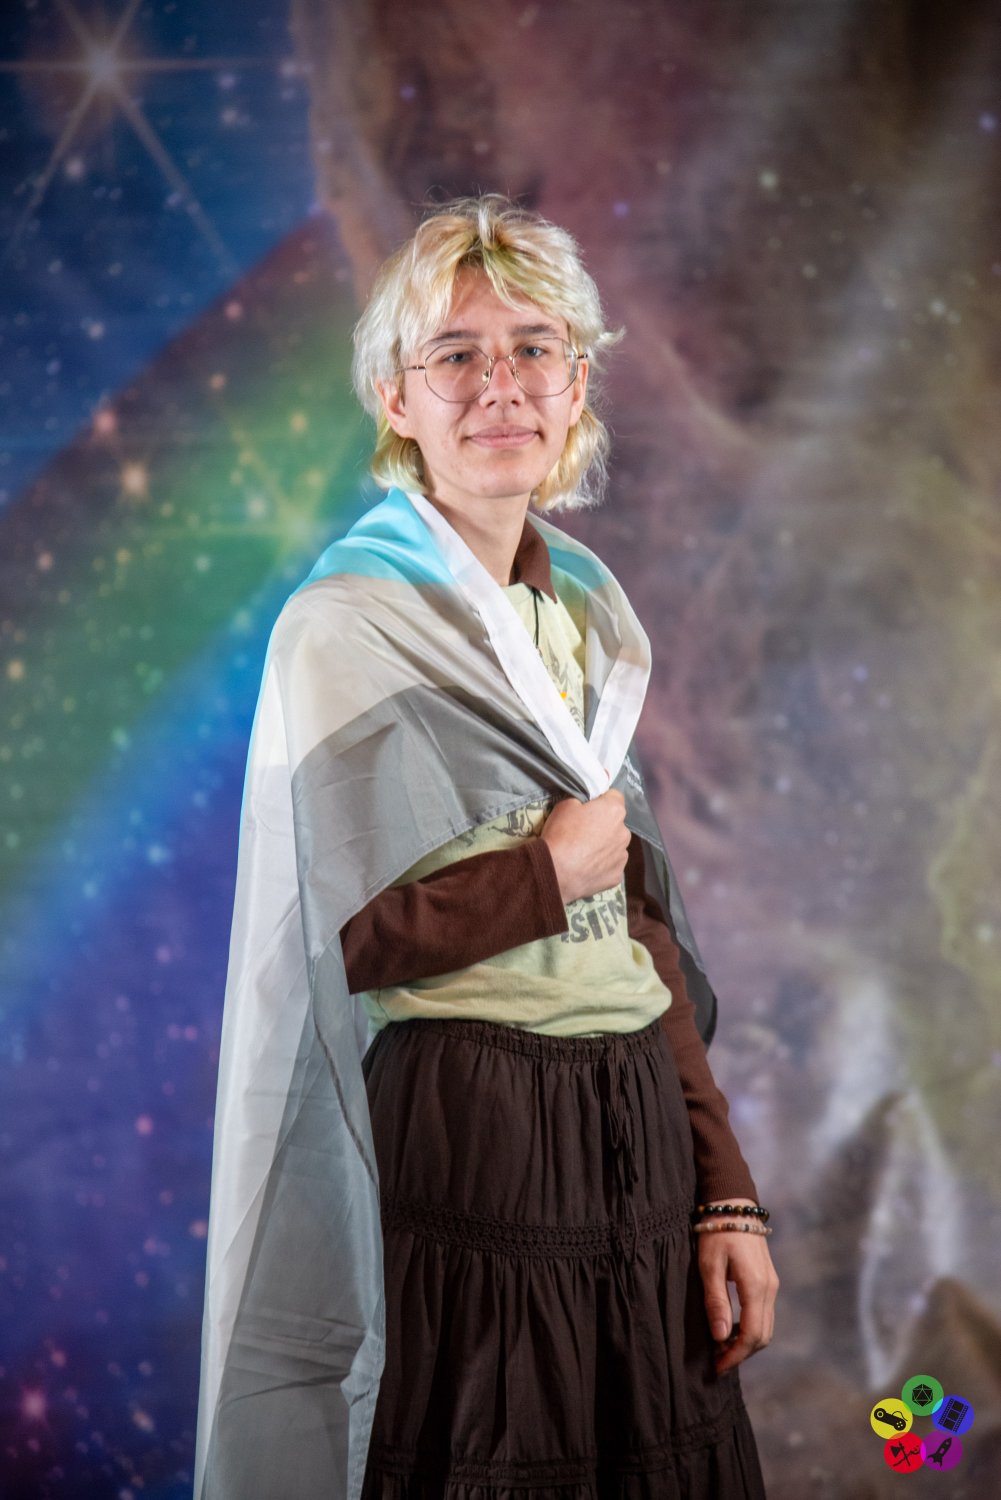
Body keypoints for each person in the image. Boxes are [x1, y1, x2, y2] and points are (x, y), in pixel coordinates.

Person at [194, 195, 777, 1500]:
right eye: (455, 354)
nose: (500, 384)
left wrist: (725, 1191)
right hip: (473, 1140)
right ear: (396, 399)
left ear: (577, 384)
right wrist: (541, 876)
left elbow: (637, 935)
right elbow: (330, 940)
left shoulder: (587, 611)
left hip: (638, 1126)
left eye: (532, 349)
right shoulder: (346, 624)